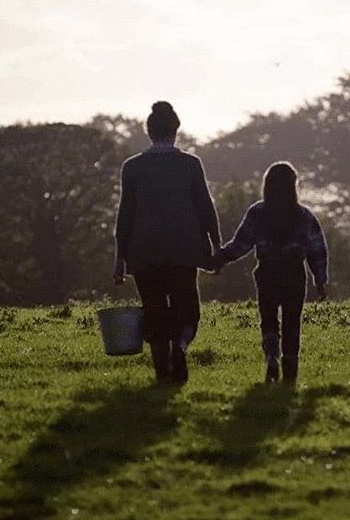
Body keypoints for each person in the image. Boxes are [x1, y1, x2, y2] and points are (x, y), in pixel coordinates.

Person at [113, 101, 221, 384]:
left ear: (149, 131)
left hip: (144, 248)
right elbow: (205, 207)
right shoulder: (190, 164)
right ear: (176, 130)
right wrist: (215, 244)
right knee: (187, 308)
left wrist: (120, 257)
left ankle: (162, 363)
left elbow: (125, 215)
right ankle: (180, 347)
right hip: (184, 248)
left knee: (154, 307)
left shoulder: (132, 167)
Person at [214, 162, 328, 383]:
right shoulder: (304, 216)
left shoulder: (257, 212)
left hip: (267, 272)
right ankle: (291, 368)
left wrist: (220, 259)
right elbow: (317, 248)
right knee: (292, 321)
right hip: (295, 273)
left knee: (268, 319)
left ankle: (272, 356)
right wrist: (320, 280)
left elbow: (241, 244)